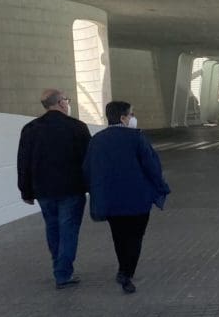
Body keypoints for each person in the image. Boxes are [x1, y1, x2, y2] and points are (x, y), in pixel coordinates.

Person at [84, 101, 171, 294]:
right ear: (123, 118)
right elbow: (152, 166)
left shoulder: (97, 140)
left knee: (119, 236)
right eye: (132, 114)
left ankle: (123, 267)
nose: (134, 117)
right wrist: (161, 187)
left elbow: (89, 169)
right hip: (137, 199)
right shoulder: (137, 138)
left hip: (111, 200)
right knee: (136, 236)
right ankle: (126, 272)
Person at [17, 89, 91, 289]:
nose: (68, 103)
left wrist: (25, 191)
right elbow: (88, 161)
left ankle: (59, 267)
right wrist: (93, 186)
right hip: (72, 189)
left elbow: (23, 162)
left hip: (43, 190)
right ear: (60, 103)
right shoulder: (77, 127)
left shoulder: (30, 129)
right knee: (68, 230)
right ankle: (63, 273)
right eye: (66, 100)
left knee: (53, 228)